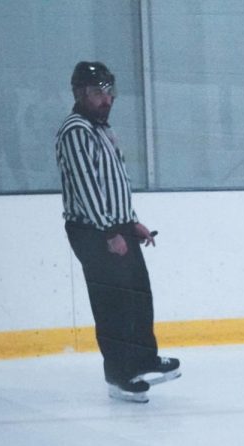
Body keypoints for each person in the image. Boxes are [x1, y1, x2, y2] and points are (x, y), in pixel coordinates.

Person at [55, 61, 180, 403]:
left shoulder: (102, 130)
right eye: (98, 92)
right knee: (112, 302)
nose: (106, 99)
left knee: (138, 294)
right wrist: (110, 230)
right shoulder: (76, 131)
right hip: (94, 230)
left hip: (116, 224)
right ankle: (119, 373)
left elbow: (114, 185)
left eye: (109, 92)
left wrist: (131, 221)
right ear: (80, 94)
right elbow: (86, 186)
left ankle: (142, 358)